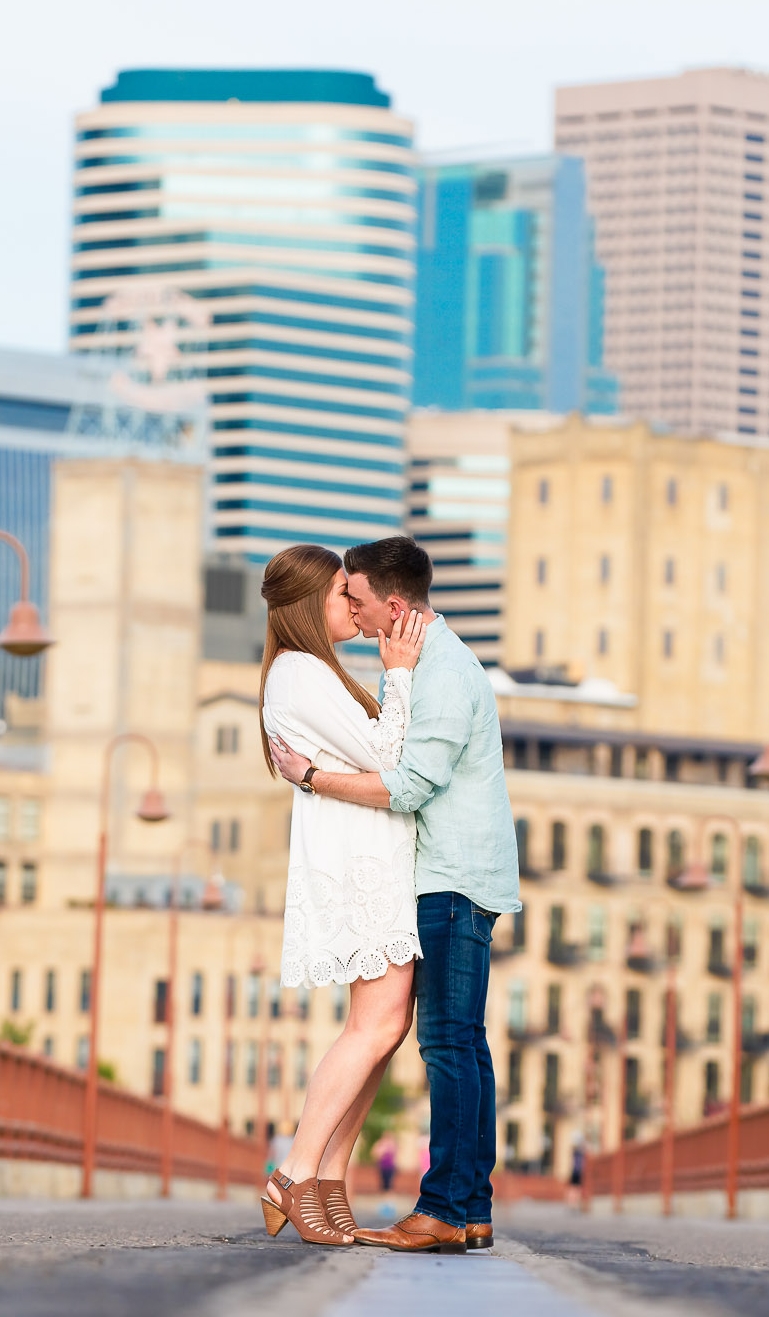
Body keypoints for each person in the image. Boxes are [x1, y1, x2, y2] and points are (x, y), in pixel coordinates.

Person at [270, 536, 520, 1256]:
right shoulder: (428, 665)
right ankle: (469, 1206)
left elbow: (406, 786)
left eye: (357, 598)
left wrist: (312, 779)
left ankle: (443, 1207)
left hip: (449, 877)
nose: (351, 609)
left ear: (395, 605)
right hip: (454, 875)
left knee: (447, 1043)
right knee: (463, 1043)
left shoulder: (436, 672)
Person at [256, 544, 429, 1247]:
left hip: (371, 864)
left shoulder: (313, 671)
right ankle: (293, 1173)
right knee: (374, 1028)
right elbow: (390, 757)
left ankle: (328, 1179)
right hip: (360, 870)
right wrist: (400, 677)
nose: (352, 605)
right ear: (307, 605)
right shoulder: (297, 673)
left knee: (383, 1033)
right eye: (339, 595)